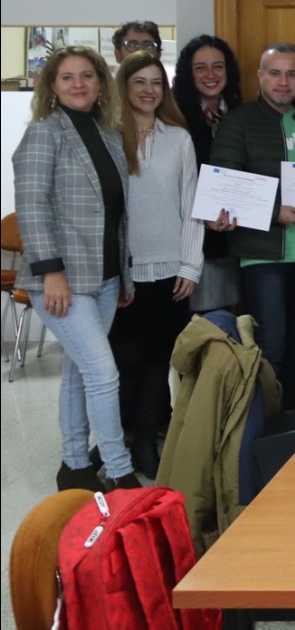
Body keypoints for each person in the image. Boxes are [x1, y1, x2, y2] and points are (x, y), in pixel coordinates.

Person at [14, 45, 139, 492]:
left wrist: (123, 276)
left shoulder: (107, 134)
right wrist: (50, 271)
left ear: (101, 84)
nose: (79, 84)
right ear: (51, 86)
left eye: (87, 75)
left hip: (103, 277)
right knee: (103, 373)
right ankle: (120, 469)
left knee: (78, 371)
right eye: (67, 77)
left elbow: (116, 212)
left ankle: (73, 465)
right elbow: (31, 206)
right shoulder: (44, 134)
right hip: (60, 280)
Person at [209, 43, 295, 412]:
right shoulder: (239, 121)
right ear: (260, 77)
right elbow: (224, 189)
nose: (283, 82)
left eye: (292, 74)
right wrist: (273, 212)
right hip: (261, 253)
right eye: (275, 73)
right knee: (273, 344)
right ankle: (263, 428)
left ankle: (286, 418)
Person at [107, 51, 204, 479]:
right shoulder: (108, 135)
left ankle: (147, 438)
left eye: (156, 83)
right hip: (122, 272)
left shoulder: (179, 139)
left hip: (170, 271)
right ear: (124, 88)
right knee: (123, 359)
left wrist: (190, 265)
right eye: (139, 82)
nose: (148, 90)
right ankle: (123, 437)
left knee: (157, 359)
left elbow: (191, 207)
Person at [173, 34, 243, 312]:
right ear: (188, 74)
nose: (211, 75)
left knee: (233, 324)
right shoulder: (175, 118)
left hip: (237, 239)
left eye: (218, 66)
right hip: (192, 242)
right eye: (200, 67)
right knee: (201, 327)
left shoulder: (241, 114)